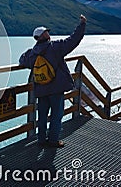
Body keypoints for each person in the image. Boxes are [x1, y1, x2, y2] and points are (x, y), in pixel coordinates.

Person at [19, 14, 87, 147]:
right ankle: (53, 140)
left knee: (42, 116)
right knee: (56, 115)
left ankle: (41, 140)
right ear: (43, 36)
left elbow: (22, 60)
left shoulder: (32, 53)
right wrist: (82, 25)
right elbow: (73, 40)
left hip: (41, 89)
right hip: (56, 89)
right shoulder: (56, 47)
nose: (48, 33)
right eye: (46, 32)